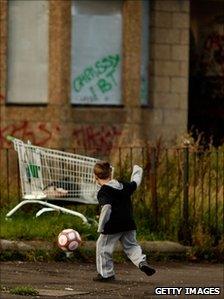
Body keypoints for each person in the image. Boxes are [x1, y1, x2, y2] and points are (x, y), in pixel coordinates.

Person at [93, 161, 156, 282]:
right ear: (111, 174)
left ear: (95, 177)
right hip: (128, 223)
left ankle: (106, 274)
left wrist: (101, 227)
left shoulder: (104, 191)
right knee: (132, 246)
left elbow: (106, 208)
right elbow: (135, 182)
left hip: (112, 226)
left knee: (102, 247)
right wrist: (137, 169)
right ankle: (141, 262)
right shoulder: (123, 185)